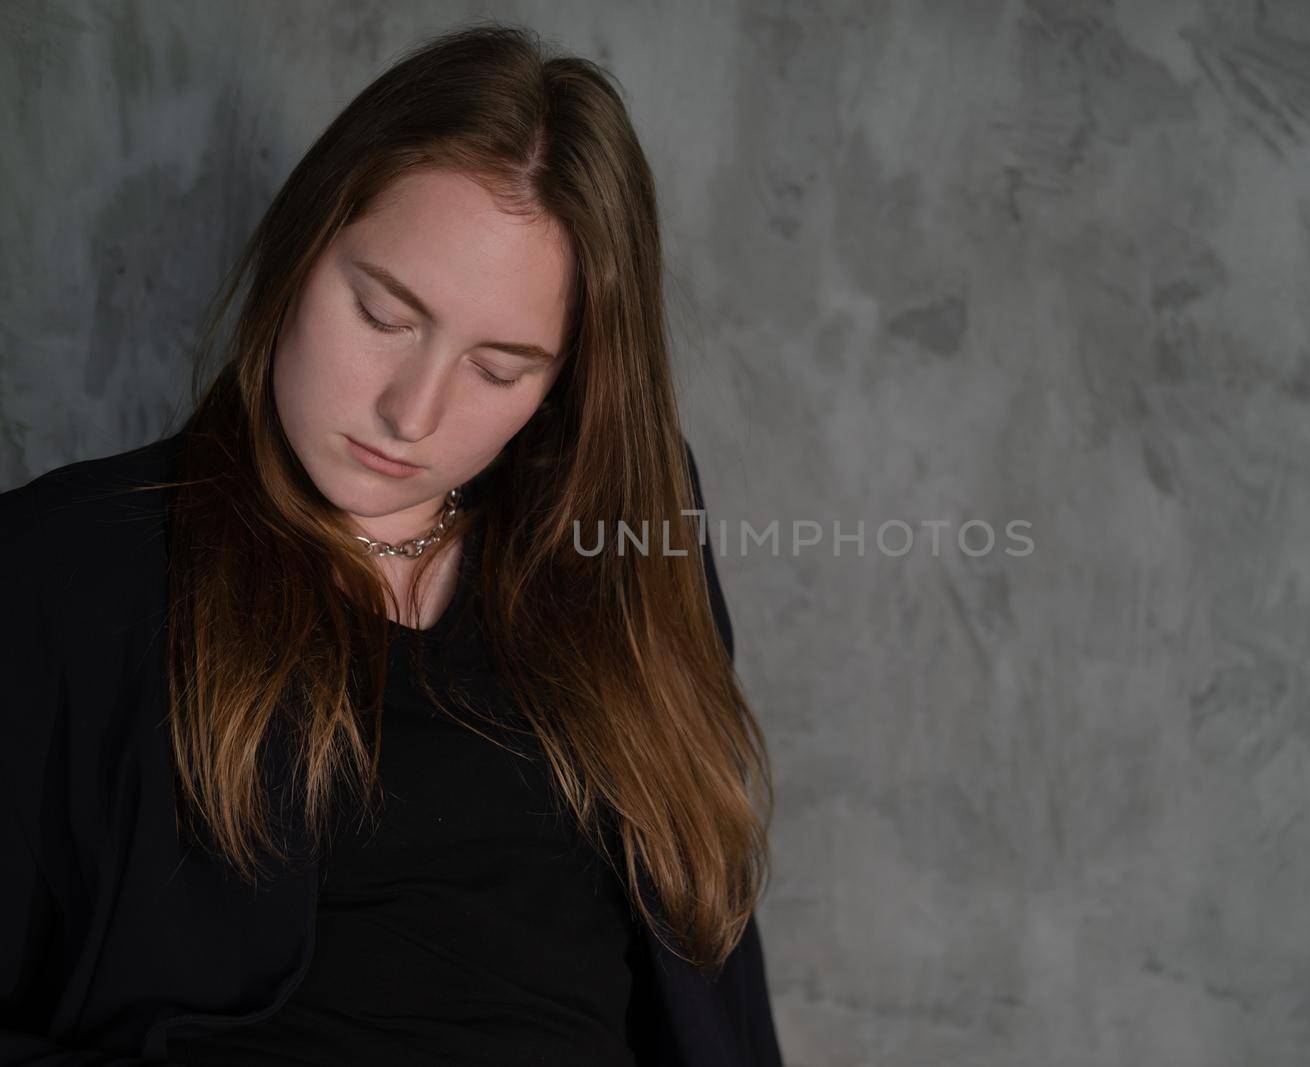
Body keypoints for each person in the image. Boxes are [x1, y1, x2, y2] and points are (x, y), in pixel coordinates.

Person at [0, 22, 781, 1067]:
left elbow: (713, 966)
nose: (413, 412)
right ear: (301, 244)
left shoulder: (619, 534)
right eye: (382, 313)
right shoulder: (68, 566)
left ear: (563, 385)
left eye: (500, 368)